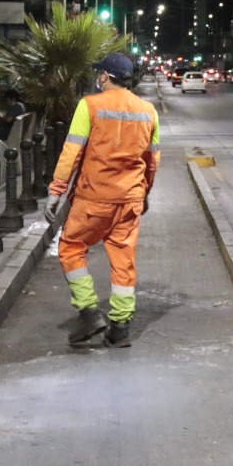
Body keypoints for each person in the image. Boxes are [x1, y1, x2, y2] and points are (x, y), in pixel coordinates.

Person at [47, 52, 159, 348]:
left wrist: (56, 191)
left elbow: (72, 151)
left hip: (93, 196)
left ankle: (88, 312)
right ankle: (120, 327)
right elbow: (152, 159)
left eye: (101, 73)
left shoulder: (90, 105)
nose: (99, 77)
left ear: (106, 76)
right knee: (123, 258)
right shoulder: (148, 111)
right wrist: (144, 192)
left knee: (71, 247)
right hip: (130, 197)